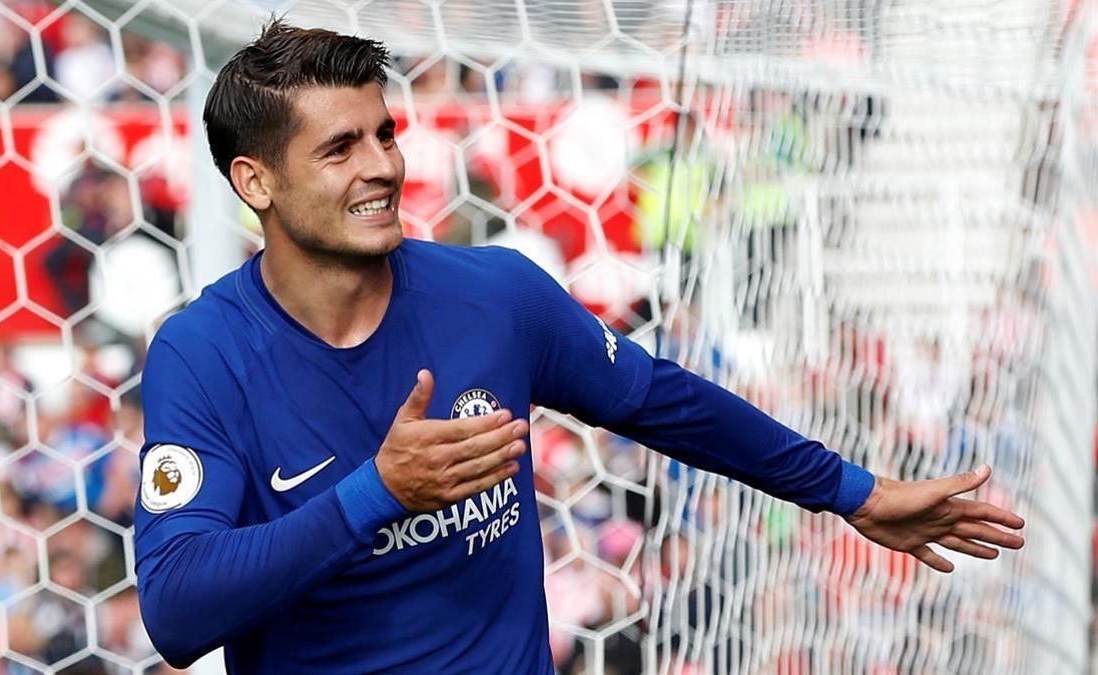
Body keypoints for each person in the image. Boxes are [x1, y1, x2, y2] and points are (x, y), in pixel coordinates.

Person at [133, 20, 1026, 674]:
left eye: (385, 133)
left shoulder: (495, 294)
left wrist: (851, 491)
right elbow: (176, 612)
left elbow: (664, 400)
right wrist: (378, 491)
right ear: (255, 180)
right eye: (339, 148)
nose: (382, 166)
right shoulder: (202, 353)